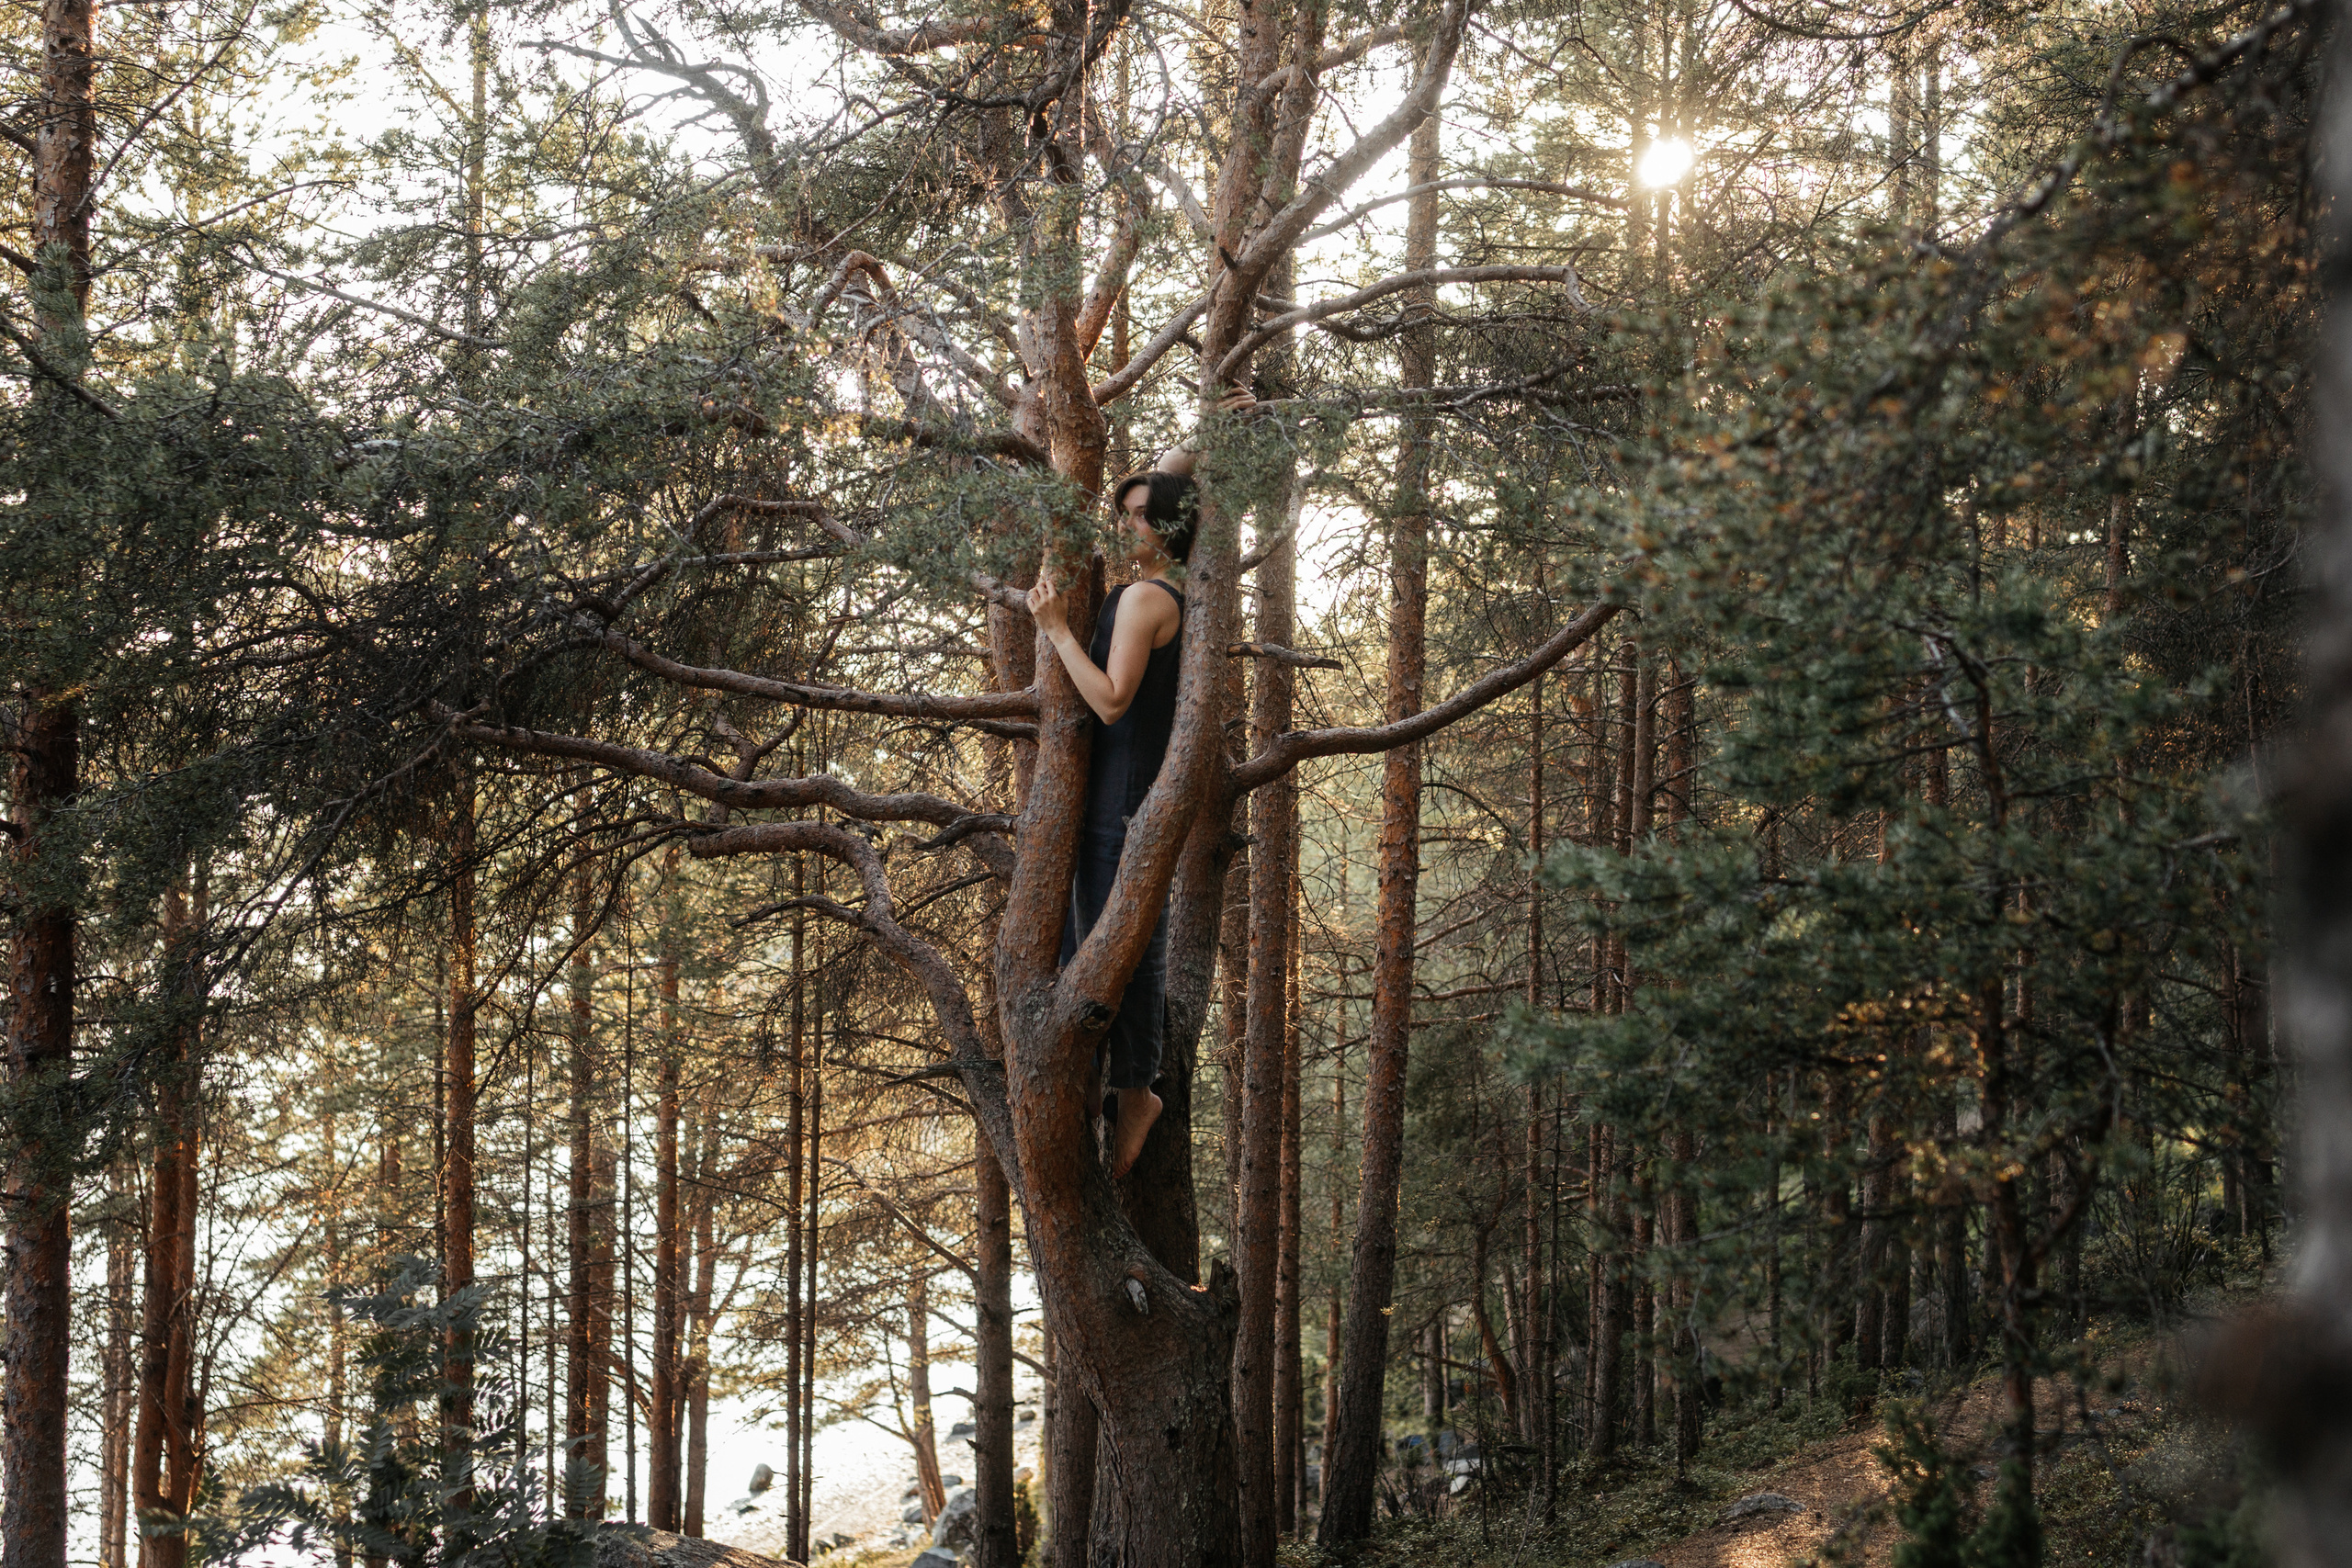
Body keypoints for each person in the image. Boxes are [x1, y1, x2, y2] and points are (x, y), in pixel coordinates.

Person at [1025, 401, 1244, 1178]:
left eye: (1140, 517)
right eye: (1122, 514)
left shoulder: (1149, 598)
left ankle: (1135, 1087)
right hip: (1117, 790)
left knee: (1124, 944)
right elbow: (1164, 484)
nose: (1125, 525)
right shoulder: (1152, 587)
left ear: (1172, 529)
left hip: (1124, 793)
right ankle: (1113, 1084)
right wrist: (1202, 435)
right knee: (1093, 938)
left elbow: (1114, 698)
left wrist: (1053, 629)